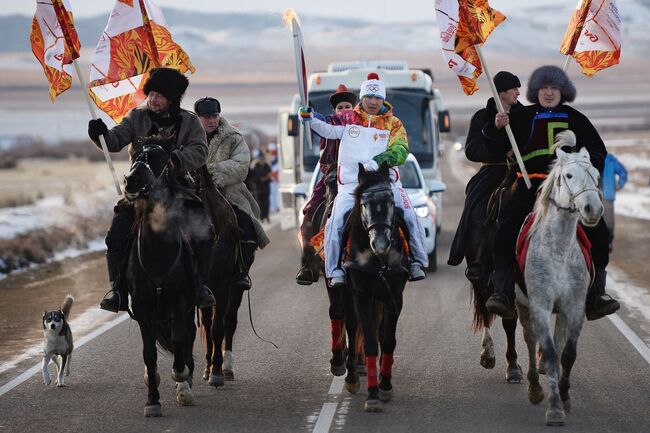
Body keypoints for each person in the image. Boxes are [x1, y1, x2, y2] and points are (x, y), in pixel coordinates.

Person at [483, 65, 620, 321]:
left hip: (568, 189)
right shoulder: (522, 118)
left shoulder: (576, 118)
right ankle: (502, 292)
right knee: (506, 228)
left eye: (554, 88)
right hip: (531, 186)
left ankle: (597, 296)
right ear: (536, 91)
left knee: (599, 231)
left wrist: (582, 156)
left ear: (562, 91)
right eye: (544, 88)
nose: (548, 93)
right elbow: (495, 147)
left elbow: (599, 152)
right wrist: (495, 127)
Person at [87, 67, 215, 312]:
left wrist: (175, 160)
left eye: (160, 95)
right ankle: (118, 291)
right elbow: (115, 140)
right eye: (152, 93)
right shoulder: (136, 117)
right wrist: (100, 134)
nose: (154, 100)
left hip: (177, 190)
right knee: (115, 236)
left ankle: (200, 286)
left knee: (205, 231)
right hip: (139, 191)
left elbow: (200, 151)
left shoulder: (189, 121)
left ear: (173, 99)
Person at [300, 72, 428, 287]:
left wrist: (380, 160)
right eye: (369, 97)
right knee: (335, 223)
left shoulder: (393, 124)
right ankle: (334, 270)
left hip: (386, 183)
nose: (373, 102)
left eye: (377, 98)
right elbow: (327, 127)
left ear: (383, 99)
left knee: (410, 215)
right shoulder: (349, 118)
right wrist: (309, 117)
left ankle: (417, 260)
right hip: (351, 185)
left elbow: (401, 150)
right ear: (362, 97)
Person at [448, 71, 523, 277]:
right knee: (477, 204)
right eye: (514, 88)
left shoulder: (525, 115)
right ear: (502, 92)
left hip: (522, 171)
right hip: (493, 169)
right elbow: (472, 150)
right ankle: (477, 256)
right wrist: (498, 143)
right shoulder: (482, 117)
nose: (518, 92)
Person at [194, 97, 271, 290]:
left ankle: (241, 271)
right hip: (192, 192)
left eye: (214, 116)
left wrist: (209, 172)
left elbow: (241, 166)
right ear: (198, 118)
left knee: (246, 224)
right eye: (206, 117)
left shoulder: (234, 137)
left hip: (229, 191)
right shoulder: (187, 138)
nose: (211, 120)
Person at [296, 84, 357, 285]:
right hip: (330, 178)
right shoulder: (329, 122)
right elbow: (317, 120)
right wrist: (307, 115)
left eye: (348, 106)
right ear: (335, 111)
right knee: (309, 215)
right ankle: (308, 265)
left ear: (354, 107)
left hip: (358, 177)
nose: (344, 110)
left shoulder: (361, 124)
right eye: (340, 107)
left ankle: (403, 256)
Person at [602, 153, 627, 250]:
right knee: (600, 220)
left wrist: (619, 185)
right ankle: (603, 242)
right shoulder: (593, 158)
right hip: (599, 195)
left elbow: (623, 172)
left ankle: (608, 242)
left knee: (607, 221)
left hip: (606, 195)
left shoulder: (610, 160)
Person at [248, 151, 272, 222]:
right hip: (258, 188)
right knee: (260, 204)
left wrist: (267, 178)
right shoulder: (255, 166)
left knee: (267, 203)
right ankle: (262, 217)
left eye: (262, 159)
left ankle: (267, 216)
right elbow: (253, 178)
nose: (262, 160)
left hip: (266, 188)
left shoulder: (267, 166)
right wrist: (261, 179)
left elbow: (270, 175)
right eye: (260, 159)